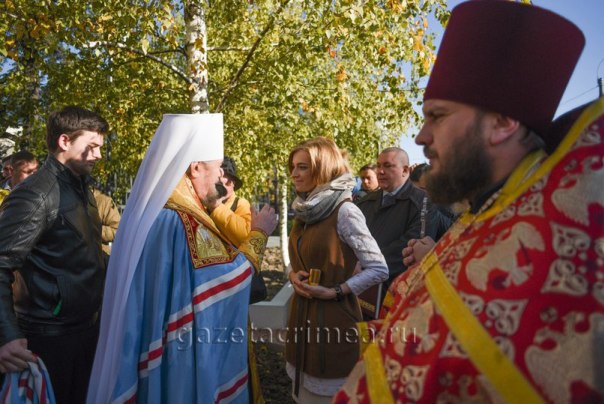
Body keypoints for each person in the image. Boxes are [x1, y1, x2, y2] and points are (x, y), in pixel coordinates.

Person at [334, 1, 604, 402]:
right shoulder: (481, 213)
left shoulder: (570, 235)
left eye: (437, 116)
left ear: (502, 122)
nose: (422, 136)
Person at [87, 113, 278, 404]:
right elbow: (221, 285)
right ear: (195, 167)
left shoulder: (162, 212)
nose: (220, 179)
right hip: (179, 360)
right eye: (216, 170)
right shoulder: (180, 221)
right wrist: (260, 233)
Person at [0, 106, 108, 404]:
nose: (98, 155)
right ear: (64, 142)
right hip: (50, 339)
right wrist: (6, 336)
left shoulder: (80, 187)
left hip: (83, 331)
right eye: (92, 146)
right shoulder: (36, 194)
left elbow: (81, 253)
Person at [285, 137, 388, 403]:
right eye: (293, 166)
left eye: (303, 167)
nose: (294, 173)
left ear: (323, 168)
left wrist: (334, 292)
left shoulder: (345, 211)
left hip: (333, 320)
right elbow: (298, 259)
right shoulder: (304, 209)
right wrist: (292, 275)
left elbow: (379, 268)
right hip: (301, 317)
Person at [355, 147, 438, 291]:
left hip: (393, 291)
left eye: (387, 166)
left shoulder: (424, 203)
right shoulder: (365, 202)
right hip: (356, 286)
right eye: (379, 165)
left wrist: (367, 266)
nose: (380, 171)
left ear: (405, 170)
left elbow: (409, 248)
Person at [206, 156, 252, 247]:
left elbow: (245, 237)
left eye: (227, 183)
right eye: (218, 183)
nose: (221, 188)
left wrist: (216, 207)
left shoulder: (241, 203)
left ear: (233, 184)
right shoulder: (204, 203)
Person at [92, 187, 121, 255]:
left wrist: (94, 230)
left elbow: (117, 230)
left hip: (99, 257)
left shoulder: (104, 201)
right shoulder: (68, 201)